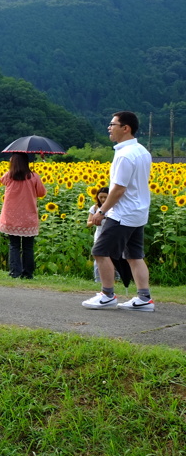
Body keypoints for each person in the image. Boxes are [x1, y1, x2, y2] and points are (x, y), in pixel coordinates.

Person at [83, 111, 154, 311]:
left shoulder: (124, 155)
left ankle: (107, 295)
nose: (109, 127)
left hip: (122, 214)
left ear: (126, 128)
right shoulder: (142, 151)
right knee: (134, 255)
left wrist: (102, 211)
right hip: (138, 212)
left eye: (113, 124)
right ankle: (144, 299)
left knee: (100, 251)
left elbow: (119, 189)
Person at [0, 152, 46, 279]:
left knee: (14, 245)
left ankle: (15, 272)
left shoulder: (8, 176)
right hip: (28, 216)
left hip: (11, 216)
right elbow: (41, 193)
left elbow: (1, 181)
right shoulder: (34, 177)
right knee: (28, 247)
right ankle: (28, 273)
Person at [88, 187, 109, 282]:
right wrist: (96, 220)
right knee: (98, 257)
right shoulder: (95, 208)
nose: (103, 199)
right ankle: (98, 279)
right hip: (99, 235)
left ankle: (117, 279)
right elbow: (88, 224)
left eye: (105, 197)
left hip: (112, 236)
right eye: (101, 197)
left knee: (113, 258)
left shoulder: (114, 208)